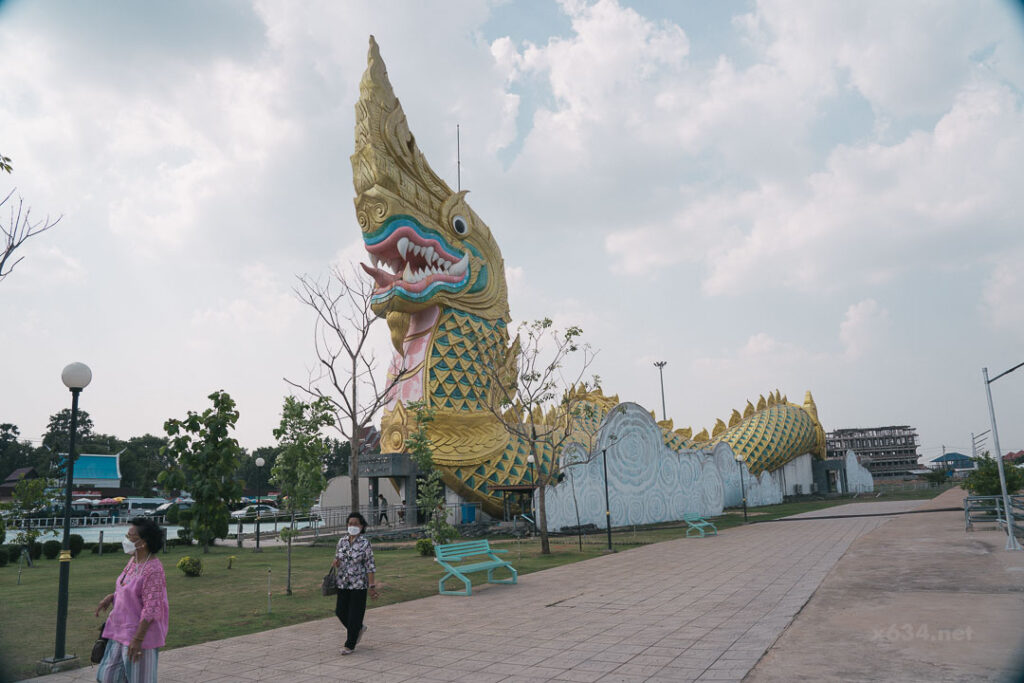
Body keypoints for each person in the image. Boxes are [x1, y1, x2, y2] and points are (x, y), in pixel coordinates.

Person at [94, 517, 169, 683]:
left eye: (130, 537)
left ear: (143, 543)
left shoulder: (153, 570)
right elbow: (128, 588)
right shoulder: (133, 561)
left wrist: (138, 639)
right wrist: (112, 597)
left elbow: (151, 608)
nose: (126, 540)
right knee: (107, 677)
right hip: (118, 631)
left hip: (138, 636)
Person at [332, 512, 379, 655]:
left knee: (354, 615)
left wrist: (372, 586)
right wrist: (336, 563)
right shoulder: (342, 541)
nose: (352, 526)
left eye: (355, 523)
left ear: (361, 526)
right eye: (350, 523)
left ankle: (349, 645)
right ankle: (358, 628)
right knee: (340, 611)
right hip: (343, 583)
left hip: (359, 584)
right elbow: (337, 558)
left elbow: (370, 565)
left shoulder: (365, 543)